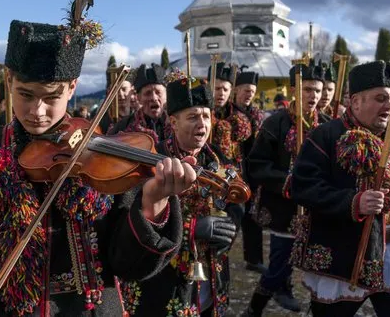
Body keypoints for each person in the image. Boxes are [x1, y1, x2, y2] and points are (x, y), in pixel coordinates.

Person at [0, 0, 196, 317]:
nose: (38, 111)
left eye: (51, 96)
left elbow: (127, 265)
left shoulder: (108, 159)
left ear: (73, 87)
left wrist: (153, 204)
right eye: (25, 94)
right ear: (9, 80)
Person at [120, 69, 244, 316]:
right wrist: (191, 228)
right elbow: (134, 218)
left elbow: (235, 207)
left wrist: (228, 230)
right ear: (173, 122)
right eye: (193, 117)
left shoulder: (221, 160)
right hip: (164, 278)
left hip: (210, 271)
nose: (203, 124)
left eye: (207, 117)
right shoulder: (153, 161)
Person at [291, 61, 390, 317]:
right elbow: (303, 187)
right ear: (355, 102)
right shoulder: (326, 135)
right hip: (343, 258)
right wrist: (353, 202)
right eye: (380, 98)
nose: (389, 106)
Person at [241, 59, 325, 316]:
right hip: (283, 207)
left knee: (319, 267)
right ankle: (254, 308)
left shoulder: (328, 125)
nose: (313, 96)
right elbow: (256, 164)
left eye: (318, 90)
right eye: (308, 89)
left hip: (318, 208)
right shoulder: (275, 123)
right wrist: (286, 181)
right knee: (279, 263)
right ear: (293, 91)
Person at [215, 70, 266, 275]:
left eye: (224, 89)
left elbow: (251, 147)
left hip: (239, 171)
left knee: (246, 214)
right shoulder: (205, 111)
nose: (221, 93)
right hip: (212, 172)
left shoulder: (242, 116)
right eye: (217, 88)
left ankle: (253, 258)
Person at [109, 63, 171, 142]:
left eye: (158, 92)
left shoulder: (177, 125)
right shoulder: (123, 127)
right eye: (147, 93)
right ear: (138, 97)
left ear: (166, 95)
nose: (154, 98)